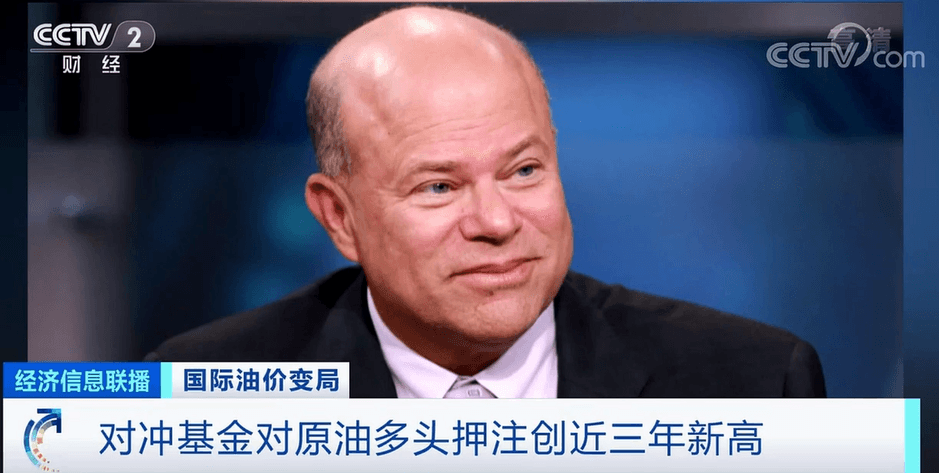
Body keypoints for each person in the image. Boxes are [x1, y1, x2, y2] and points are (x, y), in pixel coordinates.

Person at [145, 5, 827, 399]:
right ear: (339, 218)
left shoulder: (753, 382)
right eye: (439, 187)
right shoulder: (200, 389)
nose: (497, 222)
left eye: (524, 171)